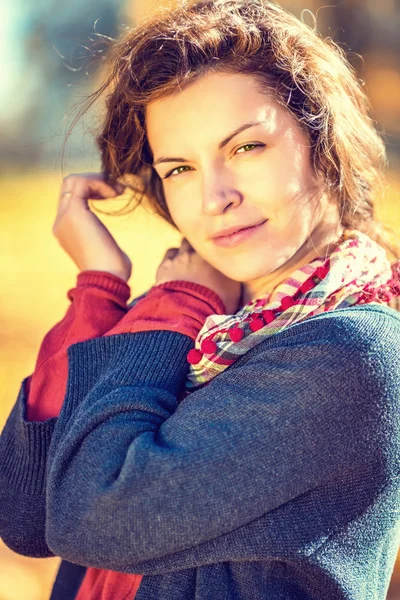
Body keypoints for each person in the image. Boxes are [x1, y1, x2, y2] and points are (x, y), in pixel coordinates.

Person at [1, 0, 400, 598]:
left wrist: (177, 302)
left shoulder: (351, 351)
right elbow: (29, 512)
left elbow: (93, 516)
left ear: (322, 145)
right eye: (180, 167)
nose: (215, 197)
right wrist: (97, 291)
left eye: (246, 148)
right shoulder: (200, 331)